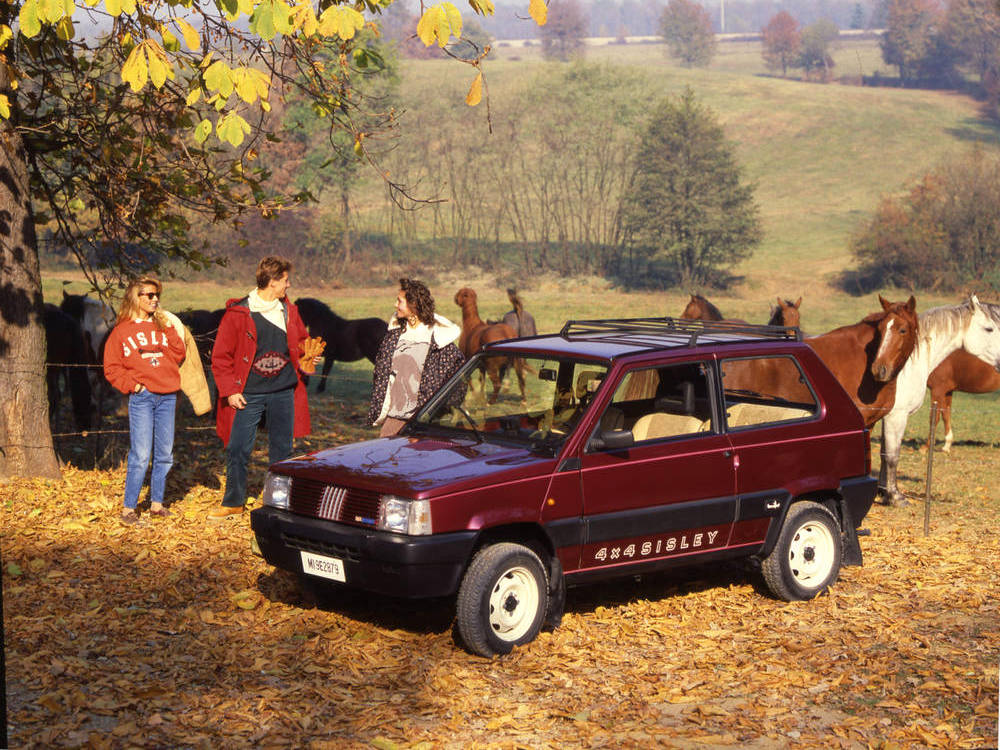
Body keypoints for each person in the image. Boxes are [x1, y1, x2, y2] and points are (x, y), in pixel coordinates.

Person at [209, 256, 313, 521]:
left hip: (283, 390)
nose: (289, 285)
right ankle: (233, 501)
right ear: (272, 281)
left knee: (282, 451)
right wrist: (231, 390)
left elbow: (302, 342)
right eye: (285, 280)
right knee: (237, 448)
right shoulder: (238, 313)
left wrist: (308, 356)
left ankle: (279, 503)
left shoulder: (289, 311)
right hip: (248, 394)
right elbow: (220, 357)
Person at [103, 276, 186, 524]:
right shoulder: (121, 331)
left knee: (164, 454)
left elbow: (179, 353)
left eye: (156, 294)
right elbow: (112, 367)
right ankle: (129, 509)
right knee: (140, 454)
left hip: (168, 396)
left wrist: (167, 325)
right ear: (135, 298)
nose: (154, 299)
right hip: (143, 397)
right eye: (149, 295)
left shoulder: (162, 326)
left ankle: (157, 504)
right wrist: (133, 386)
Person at [368, 278, 465, 437]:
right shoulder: (394, 335)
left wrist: (441, 410)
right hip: (395, 419)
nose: (395, 305)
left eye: (399, 301)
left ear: (413, 305)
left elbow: (458, 377)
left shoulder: (438, 337)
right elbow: (382, 373)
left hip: (425, 423)